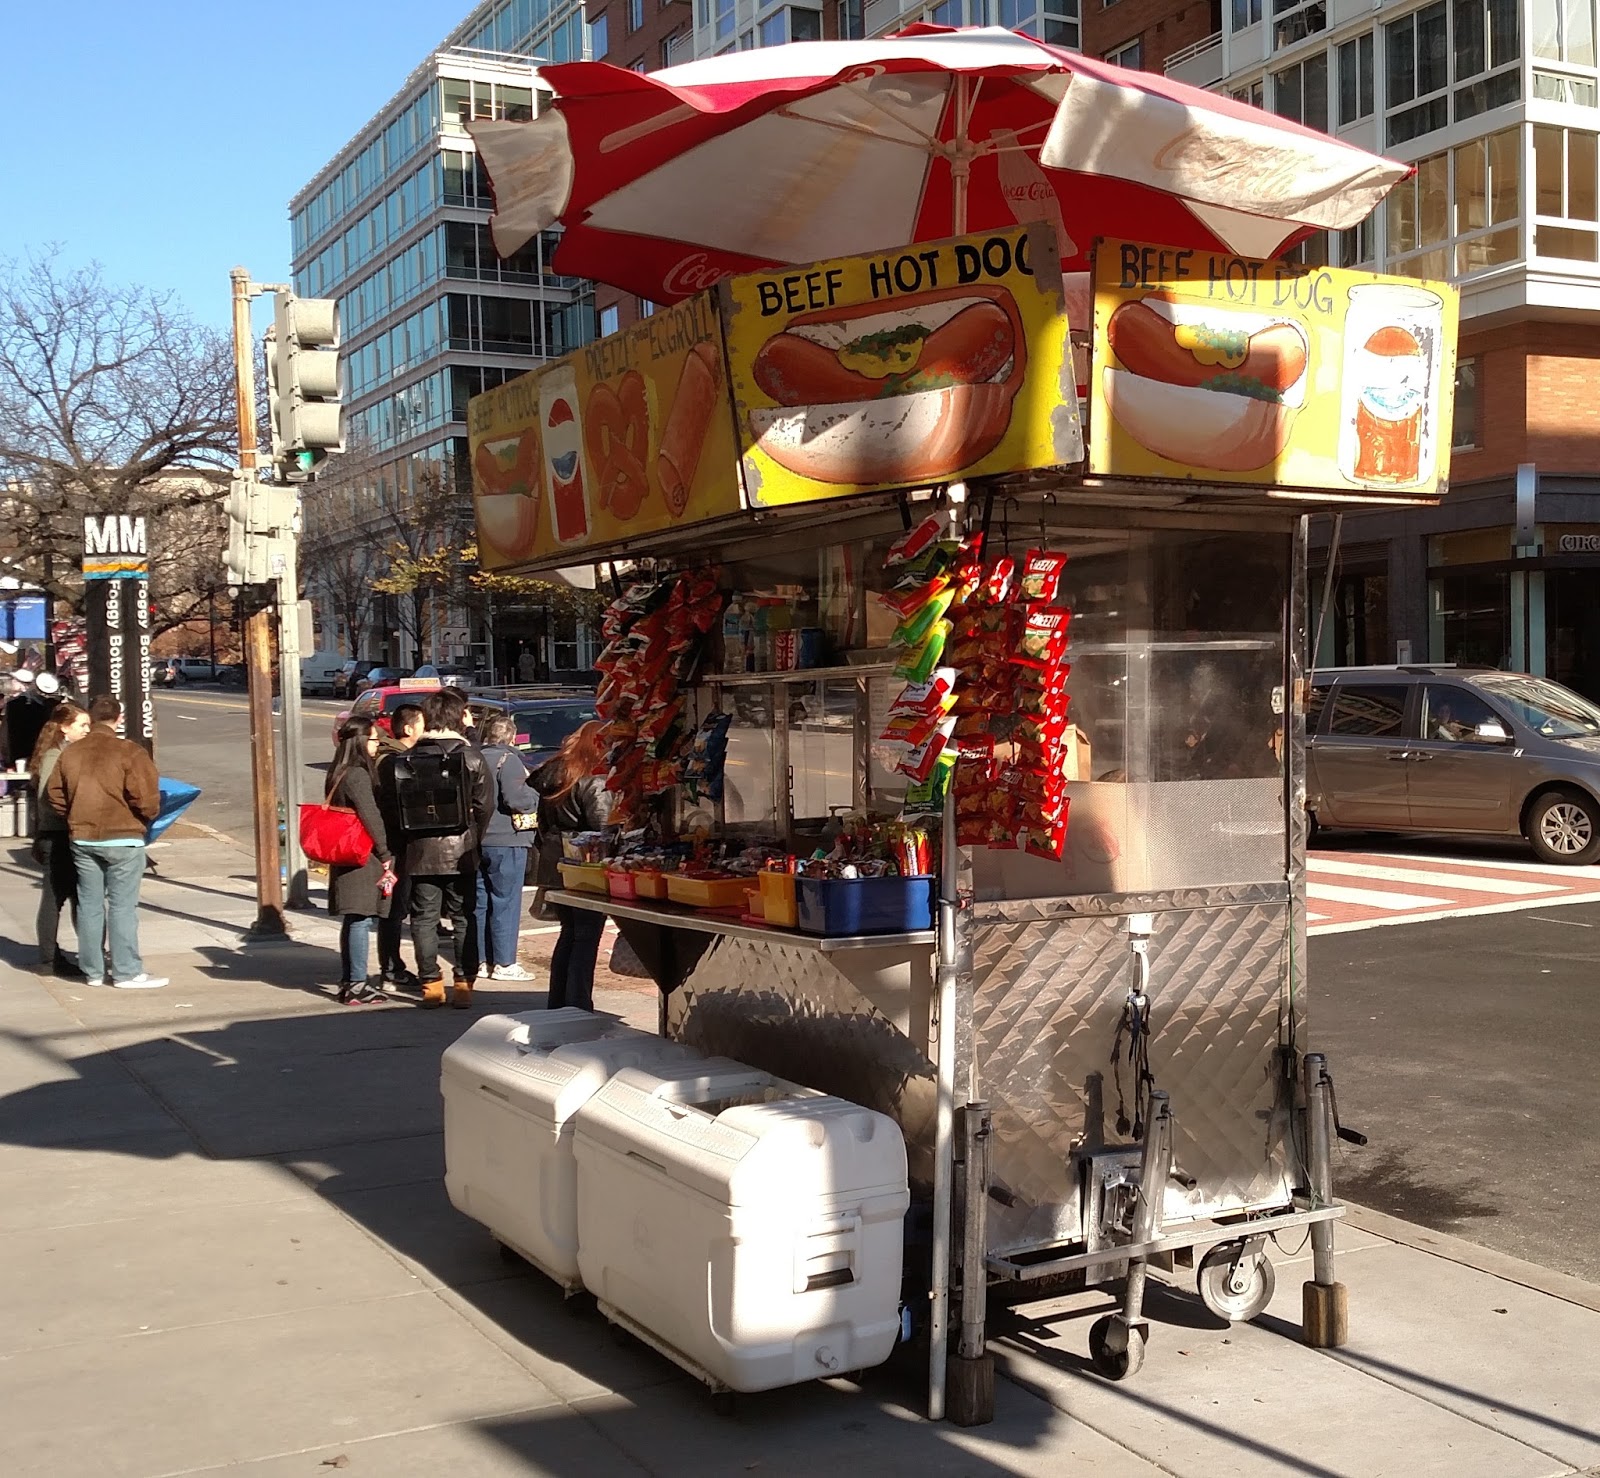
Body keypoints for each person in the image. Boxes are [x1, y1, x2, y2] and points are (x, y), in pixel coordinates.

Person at [44, 694, 165, 989]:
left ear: (91, 718)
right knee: (122, 907)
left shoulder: (70, 753)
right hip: (124, 837)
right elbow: (147, 799)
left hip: (83, 838)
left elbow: (54, 795)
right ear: (119, 719)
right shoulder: (130, 752)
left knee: (89, 903)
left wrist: (73, 815)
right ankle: (126, 971)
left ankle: (93, 971)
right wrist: (143, 820)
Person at [383, 688, 492, 1009]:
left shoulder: (404, 759)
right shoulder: (471, 756)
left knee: (424, 919)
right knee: (463, 917)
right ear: (458, 718)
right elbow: (484, 807)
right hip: (462, 851)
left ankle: (430, 983)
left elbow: (391, 810)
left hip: (419, 851)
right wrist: (473, 838)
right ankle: (463, 982)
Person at [532, 720, 612, 1011]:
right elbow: (602, 828)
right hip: (583, 867)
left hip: (555, 862)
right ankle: (578, 1003)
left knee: (570, 934)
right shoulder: (593, 780)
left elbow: (540, 825)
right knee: (585, 938)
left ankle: (560, 1001)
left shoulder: (558, 775)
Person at [325, 717, 396, 1005]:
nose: (377, 743)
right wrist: (385, 853)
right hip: (360, 856)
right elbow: (371, 816)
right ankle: (356, 983)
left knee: (354, 918)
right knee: (361, 919)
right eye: (373, 738)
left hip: (345, 852)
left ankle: (350, 980)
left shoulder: (338, 771)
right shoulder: (357, 775)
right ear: (359, 741)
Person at [474, 712, 542, 982]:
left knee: (481, 902)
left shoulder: (475, 757)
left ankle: (480, 960)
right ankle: (504, 963)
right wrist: (534, 793)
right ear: (512, 737)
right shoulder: (509, 759)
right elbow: (517, 799)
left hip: (478, 838)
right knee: (506, 902)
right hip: (507, 839)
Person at [30, 700, 91, 975]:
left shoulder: (66, 752)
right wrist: (72, 818)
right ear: (65, 728)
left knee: (74, 896)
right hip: (58, 836)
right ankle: (49, 958)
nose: (87, 729)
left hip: (59, 833)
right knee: (57, 898)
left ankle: (82, 953)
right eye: (82, 725)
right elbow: (48, 797)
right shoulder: (56, 755)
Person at [375, 702, 425, 988]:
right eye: (421, 723)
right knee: (394, 908)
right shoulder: (395, 762)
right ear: (408, 728)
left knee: (395, 907)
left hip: (394, 844)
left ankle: (391, 965)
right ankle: (391, 967)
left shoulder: (390, 756)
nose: (425, 729)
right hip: (395, 845)